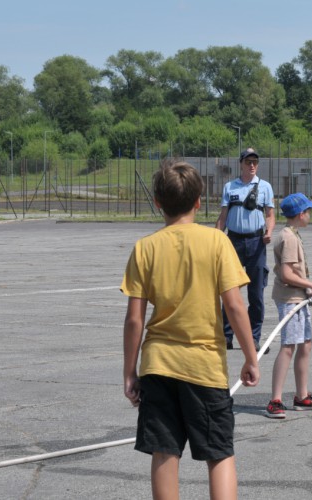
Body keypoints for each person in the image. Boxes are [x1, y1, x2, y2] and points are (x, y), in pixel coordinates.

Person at [122, 161, 260, 500]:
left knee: (165, 450)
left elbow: (135, 319)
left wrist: (130, 371)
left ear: (157, 202)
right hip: (205, 367)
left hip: (159, 365)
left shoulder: (145, 248)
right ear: (200, 201)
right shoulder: (216, 242)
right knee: (219, 452)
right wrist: (250, 356)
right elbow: (235, 305)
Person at [265, 193, 312, 419]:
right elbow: (286, 273)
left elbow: (294, 272)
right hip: (289, 299)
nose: (310, 215)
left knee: (306, 344)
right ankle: (275, 400)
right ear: (301, 214)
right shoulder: (289, 238)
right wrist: (310, 284)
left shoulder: (291, 234)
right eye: (309, 211)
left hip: (297, 296)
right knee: (288, 346)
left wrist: (309, 291)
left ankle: (301, 396)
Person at [215, 148, 276, 352]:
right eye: (248, 161)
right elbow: (223, 216)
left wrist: (269, 231)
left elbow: (270, 215)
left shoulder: (265, 187)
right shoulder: (230, 187)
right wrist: (215, 238)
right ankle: (226, 336)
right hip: (233, 242)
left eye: (255, 162)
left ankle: (253, 337)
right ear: (240, 163)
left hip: (256, 242)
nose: (252, 165)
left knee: (256, 293)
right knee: (230, 290)